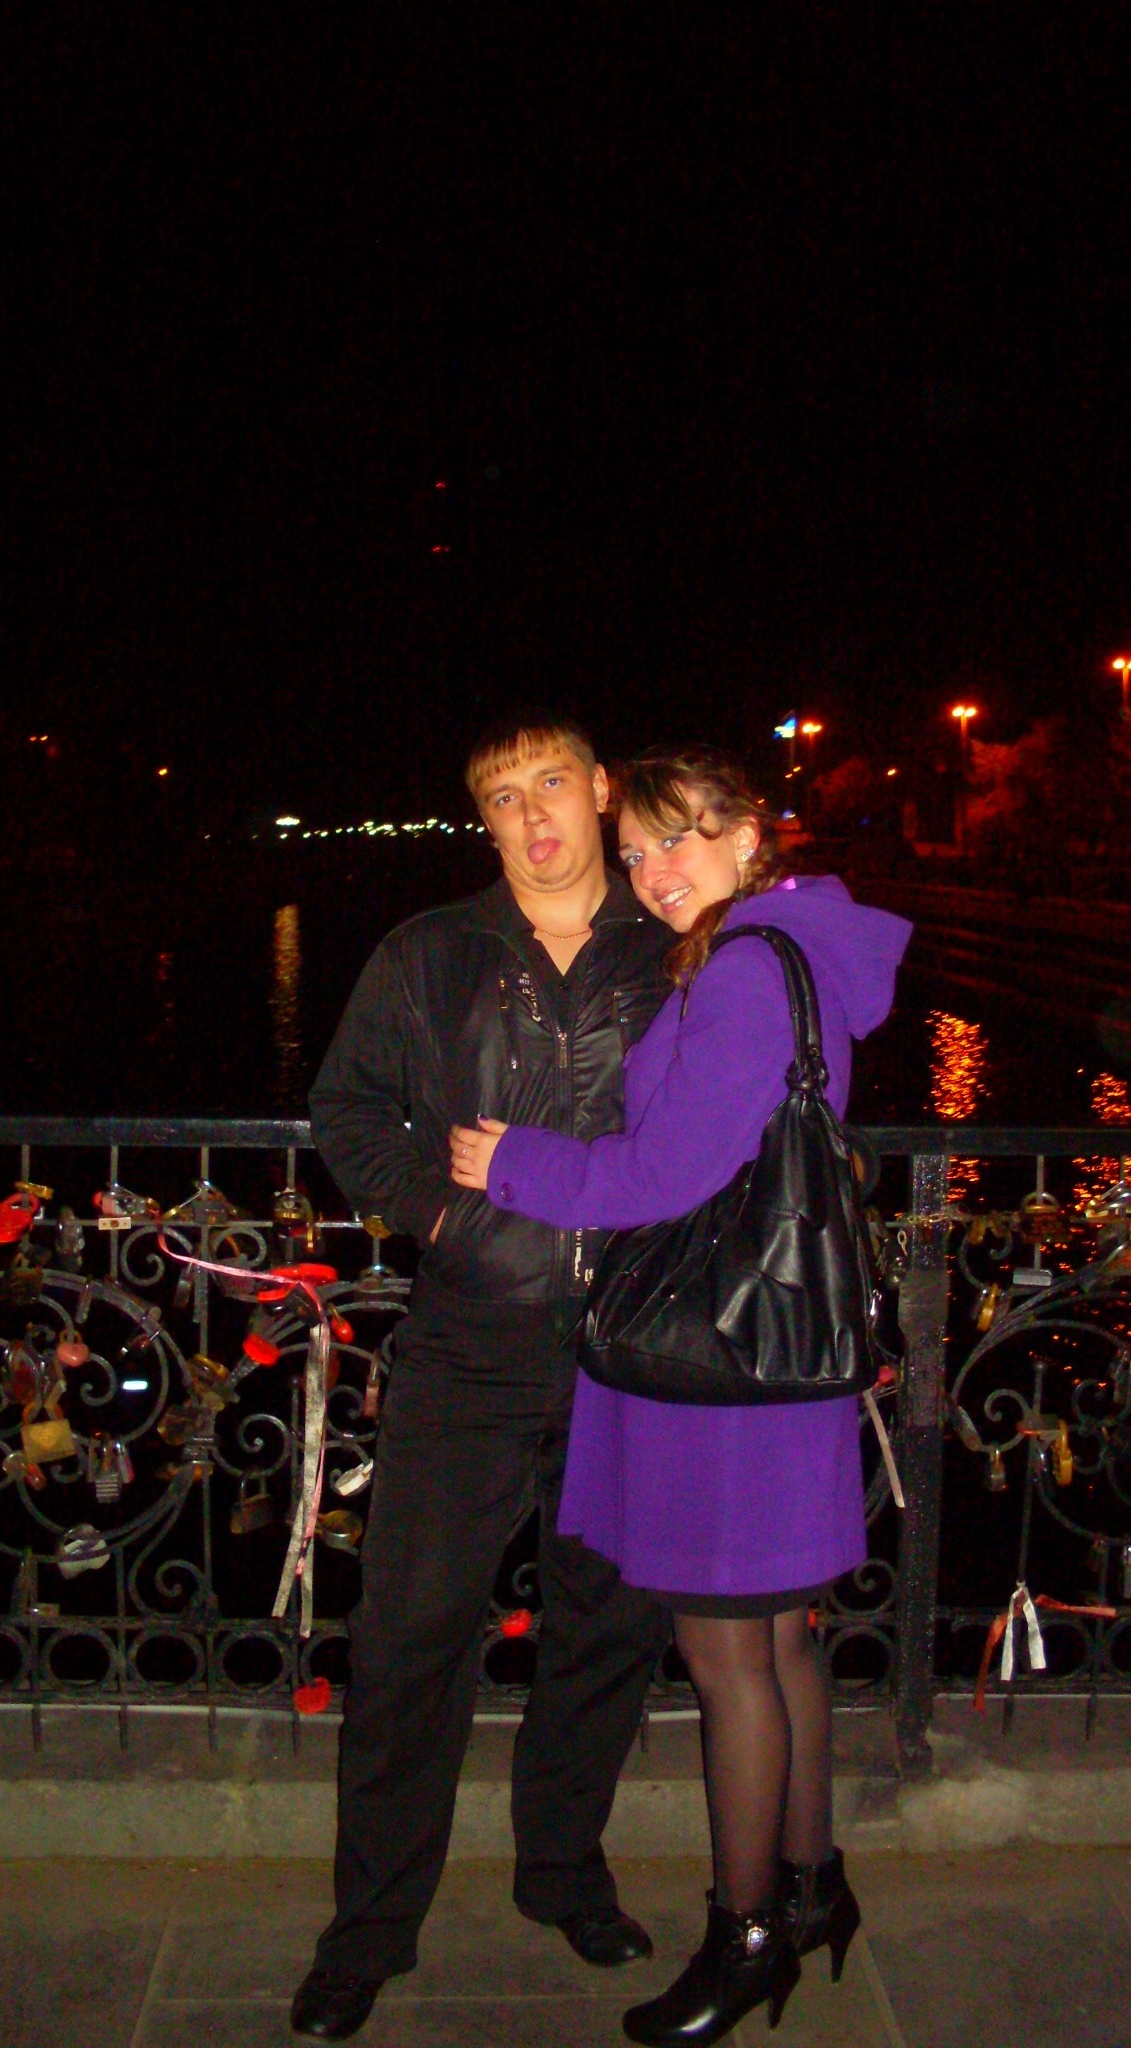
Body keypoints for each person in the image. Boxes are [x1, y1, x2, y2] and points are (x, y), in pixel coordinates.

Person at [450, 746, 911, 2047]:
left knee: (728, 1660)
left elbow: (668, 1173)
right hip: (774, 1350)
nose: (657, 872)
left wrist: (514, 1163)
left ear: (748, 833)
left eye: (683, 839)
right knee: (778, 1644)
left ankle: (744, 1932)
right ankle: (811, 1888)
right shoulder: (786, 947)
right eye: (640, 851)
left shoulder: (750, 968)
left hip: (726, 1366)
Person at [292, 714, 676, 2040]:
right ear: (485, 820)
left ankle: (562, 1873)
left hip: (631, 1343)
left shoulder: (678, 946)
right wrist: (439, 1216)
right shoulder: (429, 952)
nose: (533, 816)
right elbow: (349, 1110)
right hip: (469, 1338)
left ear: (602, 790)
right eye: (504, 798)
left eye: (552, 783)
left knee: (607, 1626)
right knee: (409, 1635)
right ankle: (370, 1924)